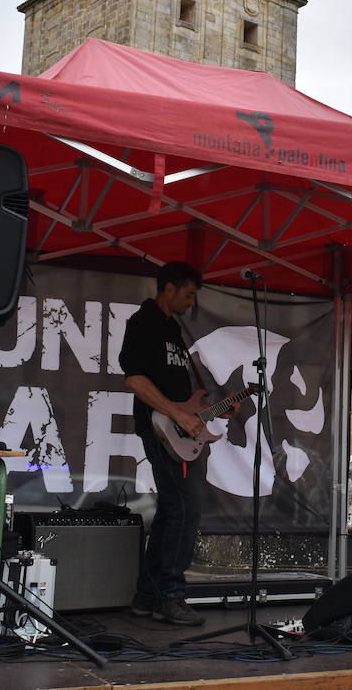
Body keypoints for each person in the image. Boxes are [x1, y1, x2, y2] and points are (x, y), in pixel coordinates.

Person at [120, 261, 233, 627]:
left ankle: (148, 595)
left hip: (181, 431)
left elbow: (183, 394)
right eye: (188, 294)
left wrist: (208, 410)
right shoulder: (144, 323)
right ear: (168, 288)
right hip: (165, 431)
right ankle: (171, 594)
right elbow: (134, 379)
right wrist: (179, 416)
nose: (191, 302)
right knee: (185, 509)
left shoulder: (172, 328)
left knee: (173, 510)